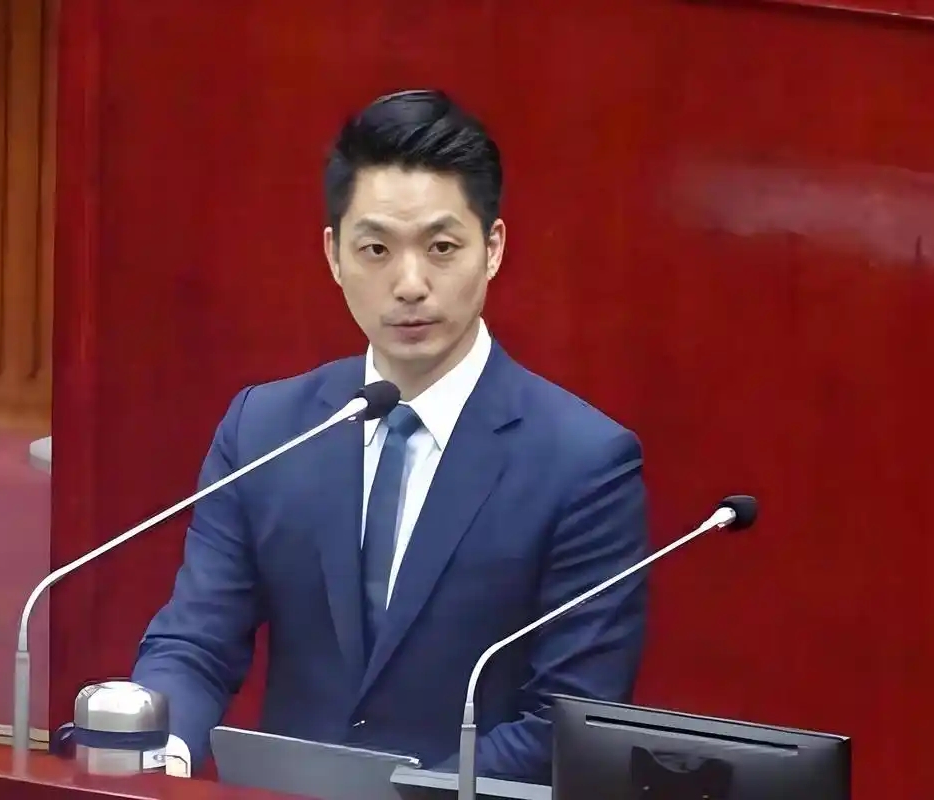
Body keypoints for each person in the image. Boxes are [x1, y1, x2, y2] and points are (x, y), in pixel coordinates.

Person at [131, 89, 648, 784]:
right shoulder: (267, 429)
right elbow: (196, 641)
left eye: (441, 248)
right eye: (375, 249)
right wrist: (162, 753)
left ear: (492, 249)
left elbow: (565, 716)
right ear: (333, 255)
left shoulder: (582, 463)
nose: (409, 284)